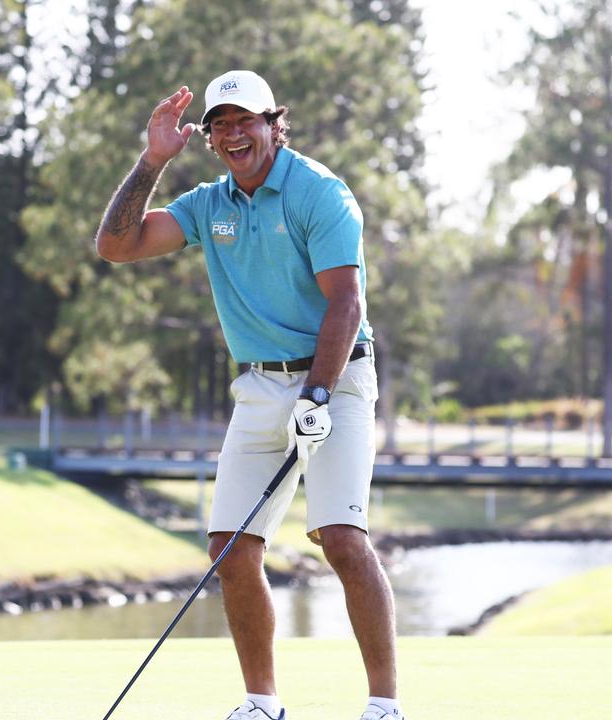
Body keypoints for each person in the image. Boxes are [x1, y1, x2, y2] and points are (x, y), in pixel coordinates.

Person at [95, 70, 403, 720]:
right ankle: (262, 704)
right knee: (230, 550)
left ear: (273, 124)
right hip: (260, 384)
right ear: (209, 139)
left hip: (338, 376)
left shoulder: (319, 193)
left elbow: (346, 302)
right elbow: (116, 246)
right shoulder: (210, 205)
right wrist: (152, 160)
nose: (234, 134)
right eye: (220, 125)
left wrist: (318, 395)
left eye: (246, 121)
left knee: (342, 537)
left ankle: (384, 706)